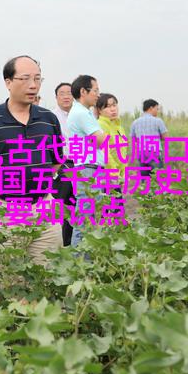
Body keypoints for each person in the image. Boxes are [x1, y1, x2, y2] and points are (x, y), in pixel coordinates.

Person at [0, 55, 63, 264]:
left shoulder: (49, 119)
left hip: (43, 208)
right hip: (2, 210)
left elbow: (56, 160)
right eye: (26, 78)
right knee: (4, 276)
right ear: (8, 82)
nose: (33, 85)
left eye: (37, 79)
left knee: (49, 274)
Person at [66, 75, 107, 248]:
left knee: (88, 216)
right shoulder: (82, 113)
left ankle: (84, 256)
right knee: (85, 218)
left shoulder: (83, 112)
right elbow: (101, 140)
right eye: (95, 90)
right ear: (83, 91)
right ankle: (79, 257)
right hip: (87, 169)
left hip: (87, 168)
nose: (98, 95)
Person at [51, 82, 75, 246]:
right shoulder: (51, 117)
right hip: (61, 166)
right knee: (59, 205)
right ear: (56, 97)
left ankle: (70, 243)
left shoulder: (79, 115)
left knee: (75, 206)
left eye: (69, 93)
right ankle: (55, 244)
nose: (66, 96)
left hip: (79, 165)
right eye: (62, 93)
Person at [129, 99, 168, 175]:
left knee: (144, 179)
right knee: (157, 178)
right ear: (151, 108)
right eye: (156, 109)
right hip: (154, 153)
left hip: (141, 153)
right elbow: (166, 138)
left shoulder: (135, 122)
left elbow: (133, 140)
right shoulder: (158, 121)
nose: (157, 111)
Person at [96, 93, 128, 182]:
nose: (113, 109)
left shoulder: (119, 127)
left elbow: (123, 153)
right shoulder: (101, 125)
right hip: (107, 174)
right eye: (108, 106)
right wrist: (114, 173)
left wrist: (124, 173)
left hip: (119, 175)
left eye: (114, 105)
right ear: (99, 110)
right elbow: (105, 152)